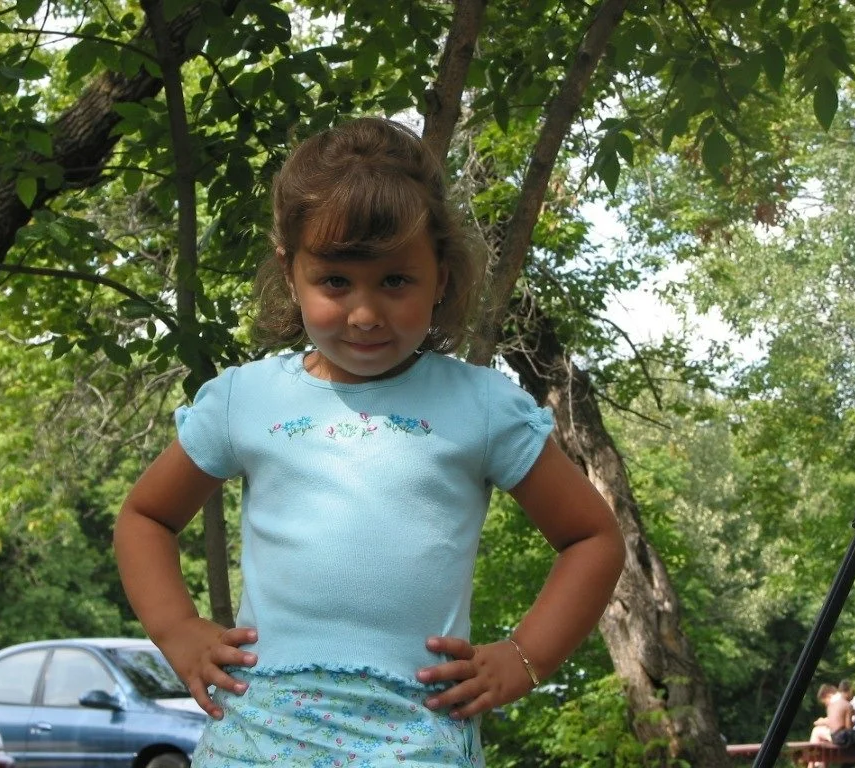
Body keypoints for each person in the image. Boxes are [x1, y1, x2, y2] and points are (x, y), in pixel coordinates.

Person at [114, 117, 626, 767]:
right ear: (290, 272)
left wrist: (524, 658)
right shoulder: (246, 399)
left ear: (440, 275)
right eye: (335, 282)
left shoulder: (483, 407)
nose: (364, 313)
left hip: (415, 731)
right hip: (260, 721)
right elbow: (145, 516)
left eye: (394, 281)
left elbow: (593, 538)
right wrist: (179, 630)